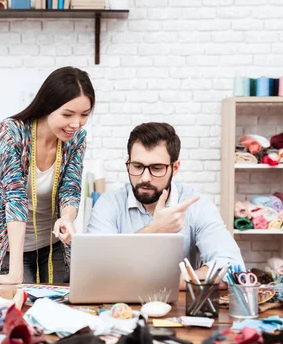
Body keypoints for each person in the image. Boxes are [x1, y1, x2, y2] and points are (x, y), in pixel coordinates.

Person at [86, 122, 244, 286]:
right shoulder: (109, 203)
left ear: (175, 168)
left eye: (156, 168)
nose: (145, 178)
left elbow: (233, 268)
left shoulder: (197, 205)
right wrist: (155, 229)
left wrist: (168, 283)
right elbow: (94, 270)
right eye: (137, 166)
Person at [0, 66, 95, 285]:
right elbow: (15, 198)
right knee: (22, 300)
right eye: (67, 114)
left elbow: (71, 188)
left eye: (84, 115)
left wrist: (67, 217)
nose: (76, 124)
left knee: (60, 302)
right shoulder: (11, 132)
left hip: (53, 243)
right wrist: (16, 272)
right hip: (13, 247)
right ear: (48, 106)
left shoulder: (76, 138)